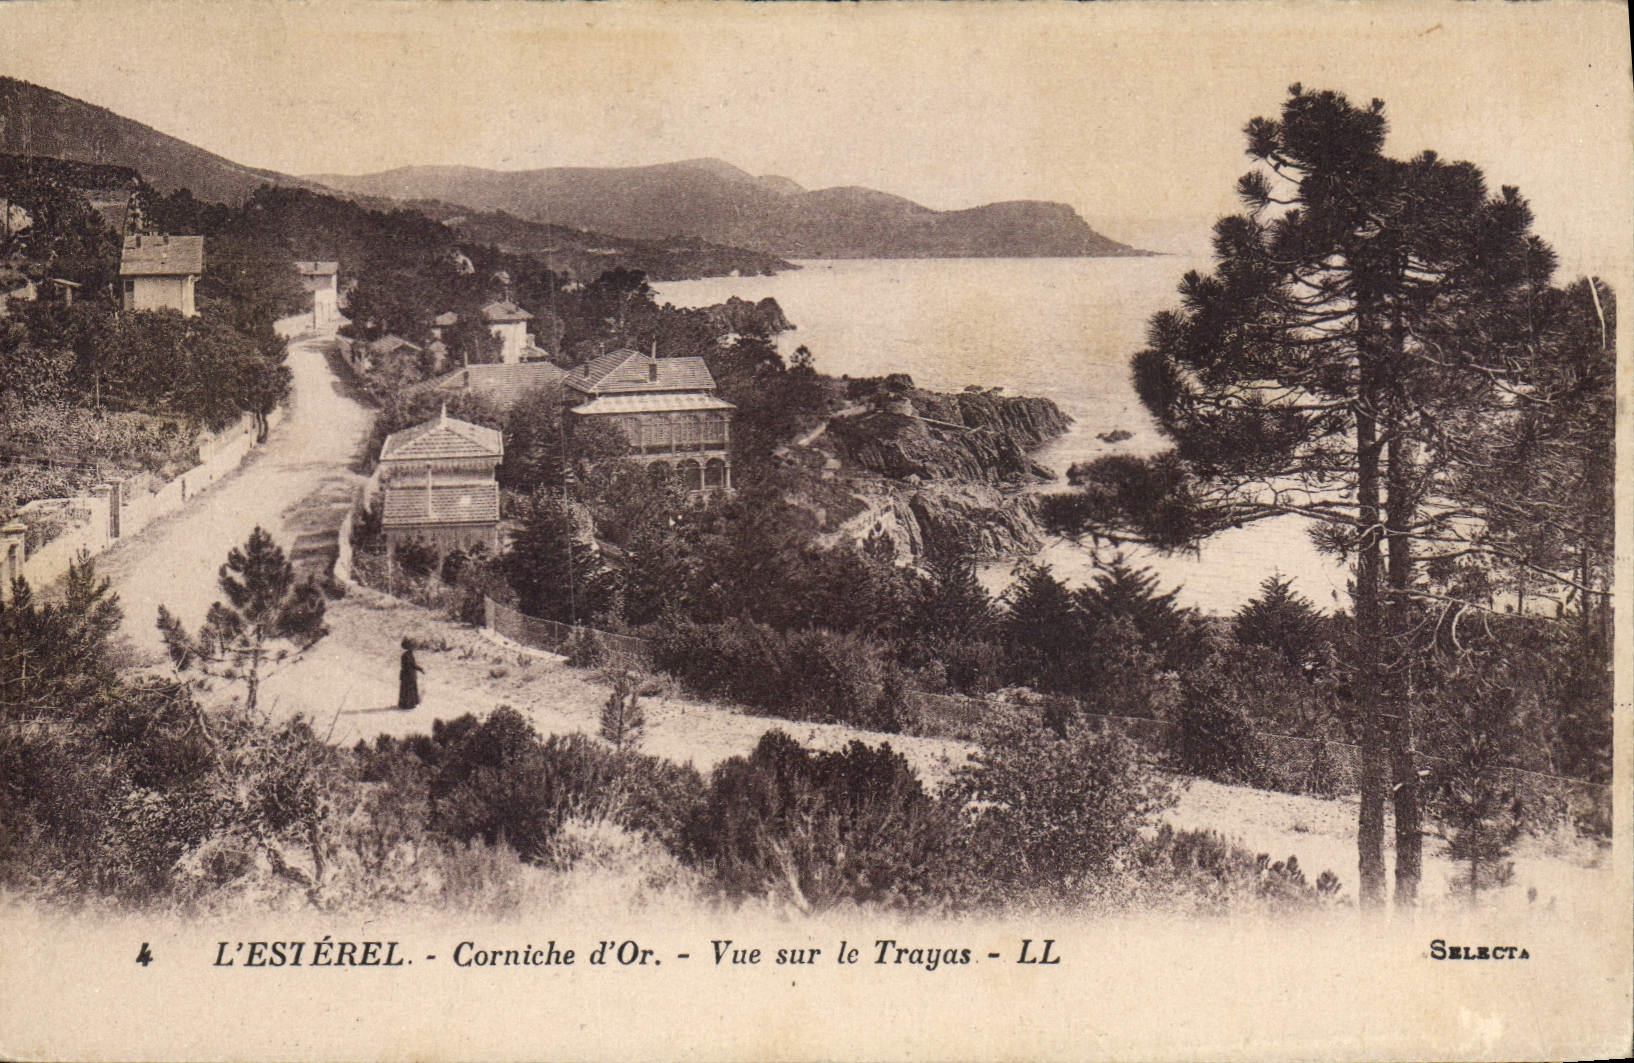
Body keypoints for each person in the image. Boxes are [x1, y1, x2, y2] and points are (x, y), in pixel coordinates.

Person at [398, 638, 424, 710]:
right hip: (408, 675)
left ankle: (406, 704)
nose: (414, 648)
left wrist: (419, 669)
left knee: (407, 690)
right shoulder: (407, 655)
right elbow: (411, 665)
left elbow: (412, 665)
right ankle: (408, 705)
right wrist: (419, 669)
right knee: (409, 690)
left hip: (407, 675)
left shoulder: (407, 655)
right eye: (413, 647)